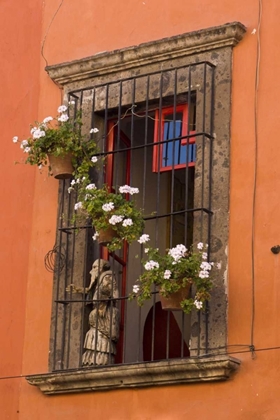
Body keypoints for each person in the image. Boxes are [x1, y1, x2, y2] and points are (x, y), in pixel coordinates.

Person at [67, 259, 119, 366]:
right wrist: (79, 289)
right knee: (94, 336)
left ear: (102, 268)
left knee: (101, 338)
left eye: (95, 267)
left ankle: (99, 360)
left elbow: (114, 295)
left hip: (103, 312)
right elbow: (92, 290)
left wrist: (103, 302)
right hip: (97, 313)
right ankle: (94, 360)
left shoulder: (107, 277)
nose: (91, 271)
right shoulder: (100, 279)